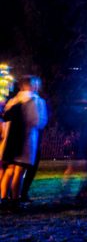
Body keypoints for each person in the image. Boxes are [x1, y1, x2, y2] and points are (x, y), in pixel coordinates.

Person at [0, 77, 47, 210]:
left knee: (9, 170)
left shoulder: (13, 100)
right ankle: (15, 200)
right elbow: (38, 121)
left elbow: (5, 120)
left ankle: (4, 199)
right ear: (32, 86)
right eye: (36, 84)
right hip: (26, 139)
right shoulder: (36, 101)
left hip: (10, 141)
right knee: (19, 171)